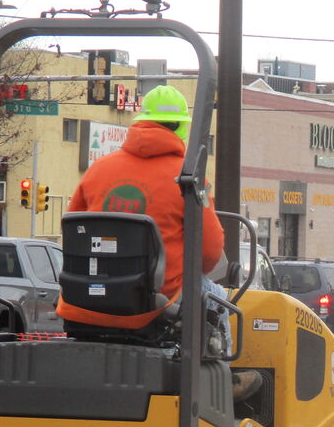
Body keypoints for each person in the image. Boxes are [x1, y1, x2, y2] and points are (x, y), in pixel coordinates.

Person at [59, 85, 258, 400]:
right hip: (152, 304)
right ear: (181, 128)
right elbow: (209, 253)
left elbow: (73, 234)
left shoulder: (98, 170)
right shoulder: (189, 179)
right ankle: (223, 382)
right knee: (217, 296)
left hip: (82, 302)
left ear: (141, 121)